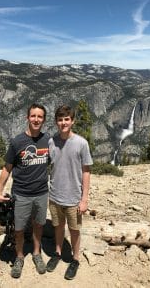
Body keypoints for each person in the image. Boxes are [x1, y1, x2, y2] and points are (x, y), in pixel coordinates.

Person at [0, 103, 49, 279]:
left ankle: (36, 253)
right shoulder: (17, 142)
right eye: (33, 116)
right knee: (18, 229)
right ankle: (19, 257)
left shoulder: (47, 140)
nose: (36, 119)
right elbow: (7, 167)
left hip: (41, 193)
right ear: (27, 118)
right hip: (21, 194)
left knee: (39, 225)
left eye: (39, 116)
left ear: (44, 120)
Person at [47, 105, 93, 280]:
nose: (63, 122)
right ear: (56, 122)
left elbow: (86, 171)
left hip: (74, 198)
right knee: (58, 227)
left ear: (72, 121)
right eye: (60, 119)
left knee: (74, 230)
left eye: (67, 119)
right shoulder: (52, 142)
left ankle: (75, 259)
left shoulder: (81, 143)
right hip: (55, 195)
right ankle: (58, 253)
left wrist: (84, 199)